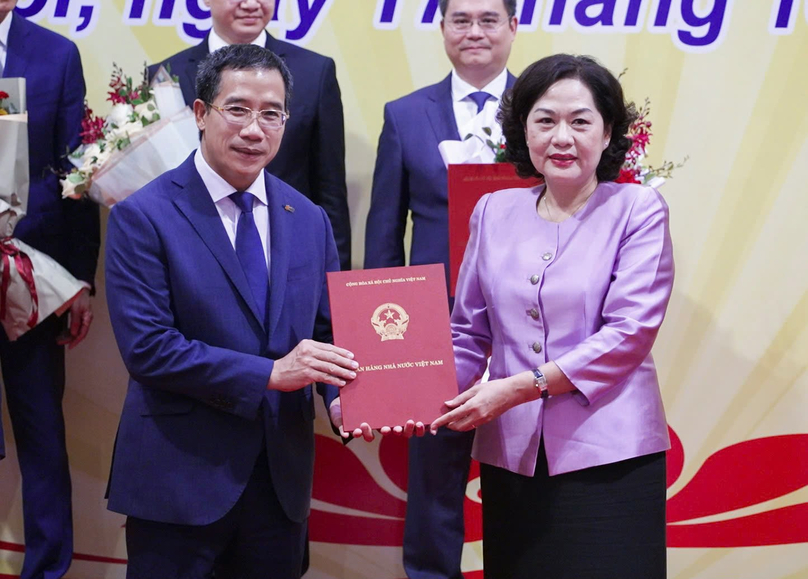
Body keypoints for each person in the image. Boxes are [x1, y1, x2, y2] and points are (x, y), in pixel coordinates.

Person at [105, 44, 364, 579]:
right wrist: (271, 374)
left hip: (279, 484)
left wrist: (345, 401)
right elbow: (149, 349)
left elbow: (327, 330)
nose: (254, 129)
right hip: (179, 481)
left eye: (271, 113)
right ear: (201, 115)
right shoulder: (143, 215)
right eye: (238, 109)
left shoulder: (308, 218)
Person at [431, 54, 674, 578]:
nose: (561, 137)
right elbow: (468, 333)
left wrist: (521, 386)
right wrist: (402, 396)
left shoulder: (637, 209)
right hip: (513, 458)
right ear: (524, 130)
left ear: (608, 133)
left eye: (580, 121)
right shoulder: (494, 210)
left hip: (610, 455)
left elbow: (628, 334)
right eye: (545, 120)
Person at [364, 1, 518, 576]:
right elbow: (384, 234)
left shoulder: (547, 108)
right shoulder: (405, 115)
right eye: (461, 20)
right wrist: (384, 344)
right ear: (443, 28)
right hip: (434, 326)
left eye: (488, 20)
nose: (474, 32)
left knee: (524, 471)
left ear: (512, 27)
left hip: (530, 324)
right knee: (433, 478)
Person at [0, 2, 100, 578]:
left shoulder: (56, 53)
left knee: (42, 433)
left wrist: (80, 277)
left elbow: (76, 172)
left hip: (34, 276)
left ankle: (48, 570)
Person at [149, 0, 351, 271]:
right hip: (188, 258)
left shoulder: (315, 72)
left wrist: (334, 281)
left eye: (270, 113)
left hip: (286, 257)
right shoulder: (164, 77)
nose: (251, 3)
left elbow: (330, 188)